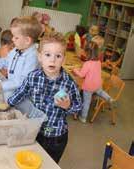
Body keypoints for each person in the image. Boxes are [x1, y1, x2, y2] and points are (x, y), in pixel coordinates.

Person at [7, 32, 82, 163]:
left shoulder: (68, 83)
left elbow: (78, 107)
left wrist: (67, 106)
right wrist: (7, 105)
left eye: (58, 56)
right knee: (32, 161)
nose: (52, 60)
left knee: (48, 164)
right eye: (48, 55)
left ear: (63, 59)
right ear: (40, 57)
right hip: (34, 131)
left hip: (56, 137)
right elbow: (20, 93)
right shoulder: (33, 77)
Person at [0, 16, 42, 103]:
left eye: (16, 37)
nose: (12, 39)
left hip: (24, 97)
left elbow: (22, 81)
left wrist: (0, 85)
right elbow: (5, 62)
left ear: (27, 40)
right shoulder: (17, 49)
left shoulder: (33, 57)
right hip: (11, 89)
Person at [73, 41, 114, 123]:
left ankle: (83, 118)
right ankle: (109, 98)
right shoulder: (98, 62)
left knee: (86, 103)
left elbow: (81, 75)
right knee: (100, 92)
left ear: (87, 53)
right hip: (98, 84)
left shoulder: (87, 63)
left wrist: (75, 70)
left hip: (88, 87)